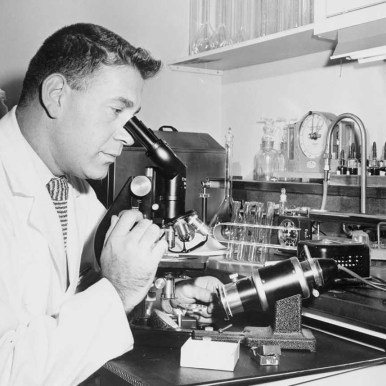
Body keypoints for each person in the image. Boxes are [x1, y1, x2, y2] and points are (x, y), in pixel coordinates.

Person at [0, 23, 221, 386]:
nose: (125, 135)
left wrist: (160, 300)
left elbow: (81, 298)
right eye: (116, 111)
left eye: (131, 119)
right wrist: (118, 292)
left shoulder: (73, 188)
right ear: (57, 95)